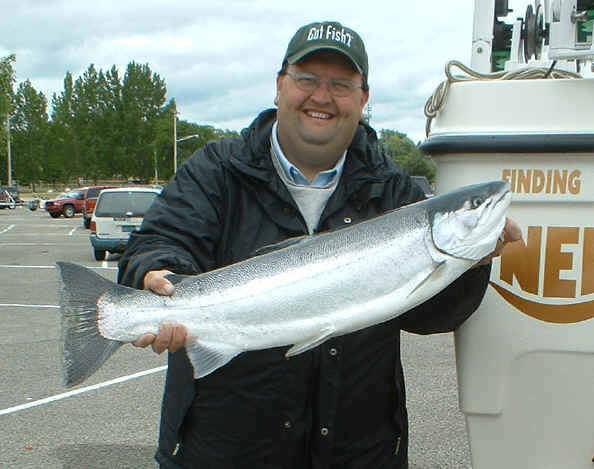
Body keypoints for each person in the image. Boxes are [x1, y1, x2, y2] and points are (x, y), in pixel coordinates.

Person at [118, 20, 521, 469]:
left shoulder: (393, 191)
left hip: (358, 454)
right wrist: (157, 273)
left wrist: (472, 261)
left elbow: (432, 316)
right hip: (225, 451)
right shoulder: (216, 171)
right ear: (280, 86)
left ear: (363, 99)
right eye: (307, 79)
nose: (322, 96)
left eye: (341, 85)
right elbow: (159, 240)